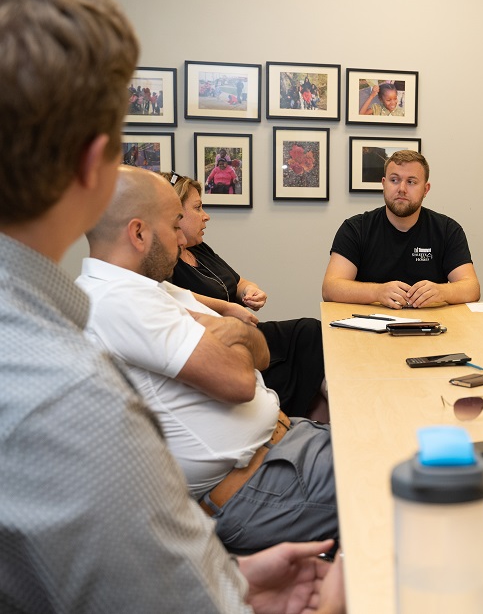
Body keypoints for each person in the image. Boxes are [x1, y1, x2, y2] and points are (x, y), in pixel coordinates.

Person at [0, 0, 342, 612]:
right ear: (91, 166)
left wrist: (235, 585)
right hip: (259, 490)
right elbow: (243, 367)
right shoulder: (68, 391)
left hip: (274, 470)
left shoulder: (54, 334)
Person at [78, 167, 339, 556]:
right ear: (138, 233)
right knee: (427, 479)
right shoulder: (118, 301)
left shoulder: (152, 288)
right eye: (172, 226)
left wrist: (233, 333)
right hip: (264, 488)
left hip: (289, 446)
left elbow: (259, 350)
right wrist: (234, 335)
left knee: (406, 443)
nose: (181, 238)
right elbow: (239, 380)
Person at [166, 172, 327, 419]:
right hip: (223, 345)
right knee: (306, 345)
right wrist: (227, 308)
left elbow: (237, 281)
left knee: (310, 332)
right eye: (198, 208)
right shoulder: (164, 261)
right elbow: (172, 295)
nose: (206, 216)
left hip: (244, 331)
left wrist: (250, 291)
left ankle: (327, 411)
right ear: (174, 214)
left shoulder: (199, 248)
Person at [322, 149, 480, 308]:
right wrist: (377, 292)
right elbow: (330, 288)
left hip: (431, 325)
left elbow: (472, 288)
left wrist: (443, 291)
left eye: (411, 182)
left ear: (426, 189)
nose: (402, 189)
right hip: (368, 324)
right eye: (394, 180)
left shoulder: (447, 230)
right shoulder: (355, 228)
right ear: (384, 184)